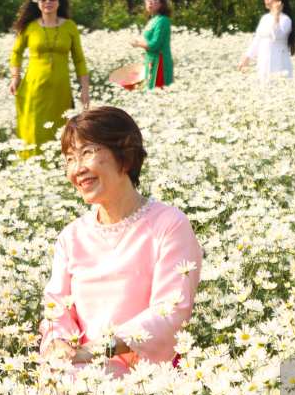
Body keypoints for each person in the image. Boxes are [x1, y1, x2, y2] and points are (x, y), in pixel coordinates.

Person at [40, 107, 202, 377]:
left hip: (148, 377)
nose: (77, 169)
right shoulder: (71, 236)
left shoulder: (169, 224)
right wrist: (59, 344)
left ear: (124, 156)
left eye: (88, 153)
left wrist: (100, 350)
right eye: (69, 158)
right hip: (81, 368)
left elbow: (171, 309)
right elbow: (57, 307)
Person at [9, 0, 90, 157]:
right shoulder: (30, 27)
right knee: (34, 131)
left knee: (60, 130)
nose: (48, 1)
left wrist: (85, 89)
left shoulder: (70, 26)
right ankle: (32, 167)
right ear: (37, 2)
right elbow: (16, 53)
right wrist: (15, 76)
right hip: (33, 89)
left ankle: (58, 167)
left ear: (59, 1)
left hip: (60, 91)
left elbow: (79, 60)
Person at [238, 0, 295, 81]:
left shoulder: (285, 19)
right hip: (264, 61)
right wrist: (246, 58)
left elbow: (277, 35)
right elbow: (257, 40)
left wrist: (276, 16)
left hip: (279, 62)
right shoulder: (265, 18)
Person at [130, 0, 174, 89]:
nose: (150, 4)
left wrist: (138, 43)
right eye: (148, 1)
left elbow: (154, 45)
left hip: (160, 63)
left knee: (158, 92)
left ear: (161, 4)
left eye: (154, 1)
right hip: (150, 61)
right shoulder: (153, 19)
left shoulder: (163, 20)